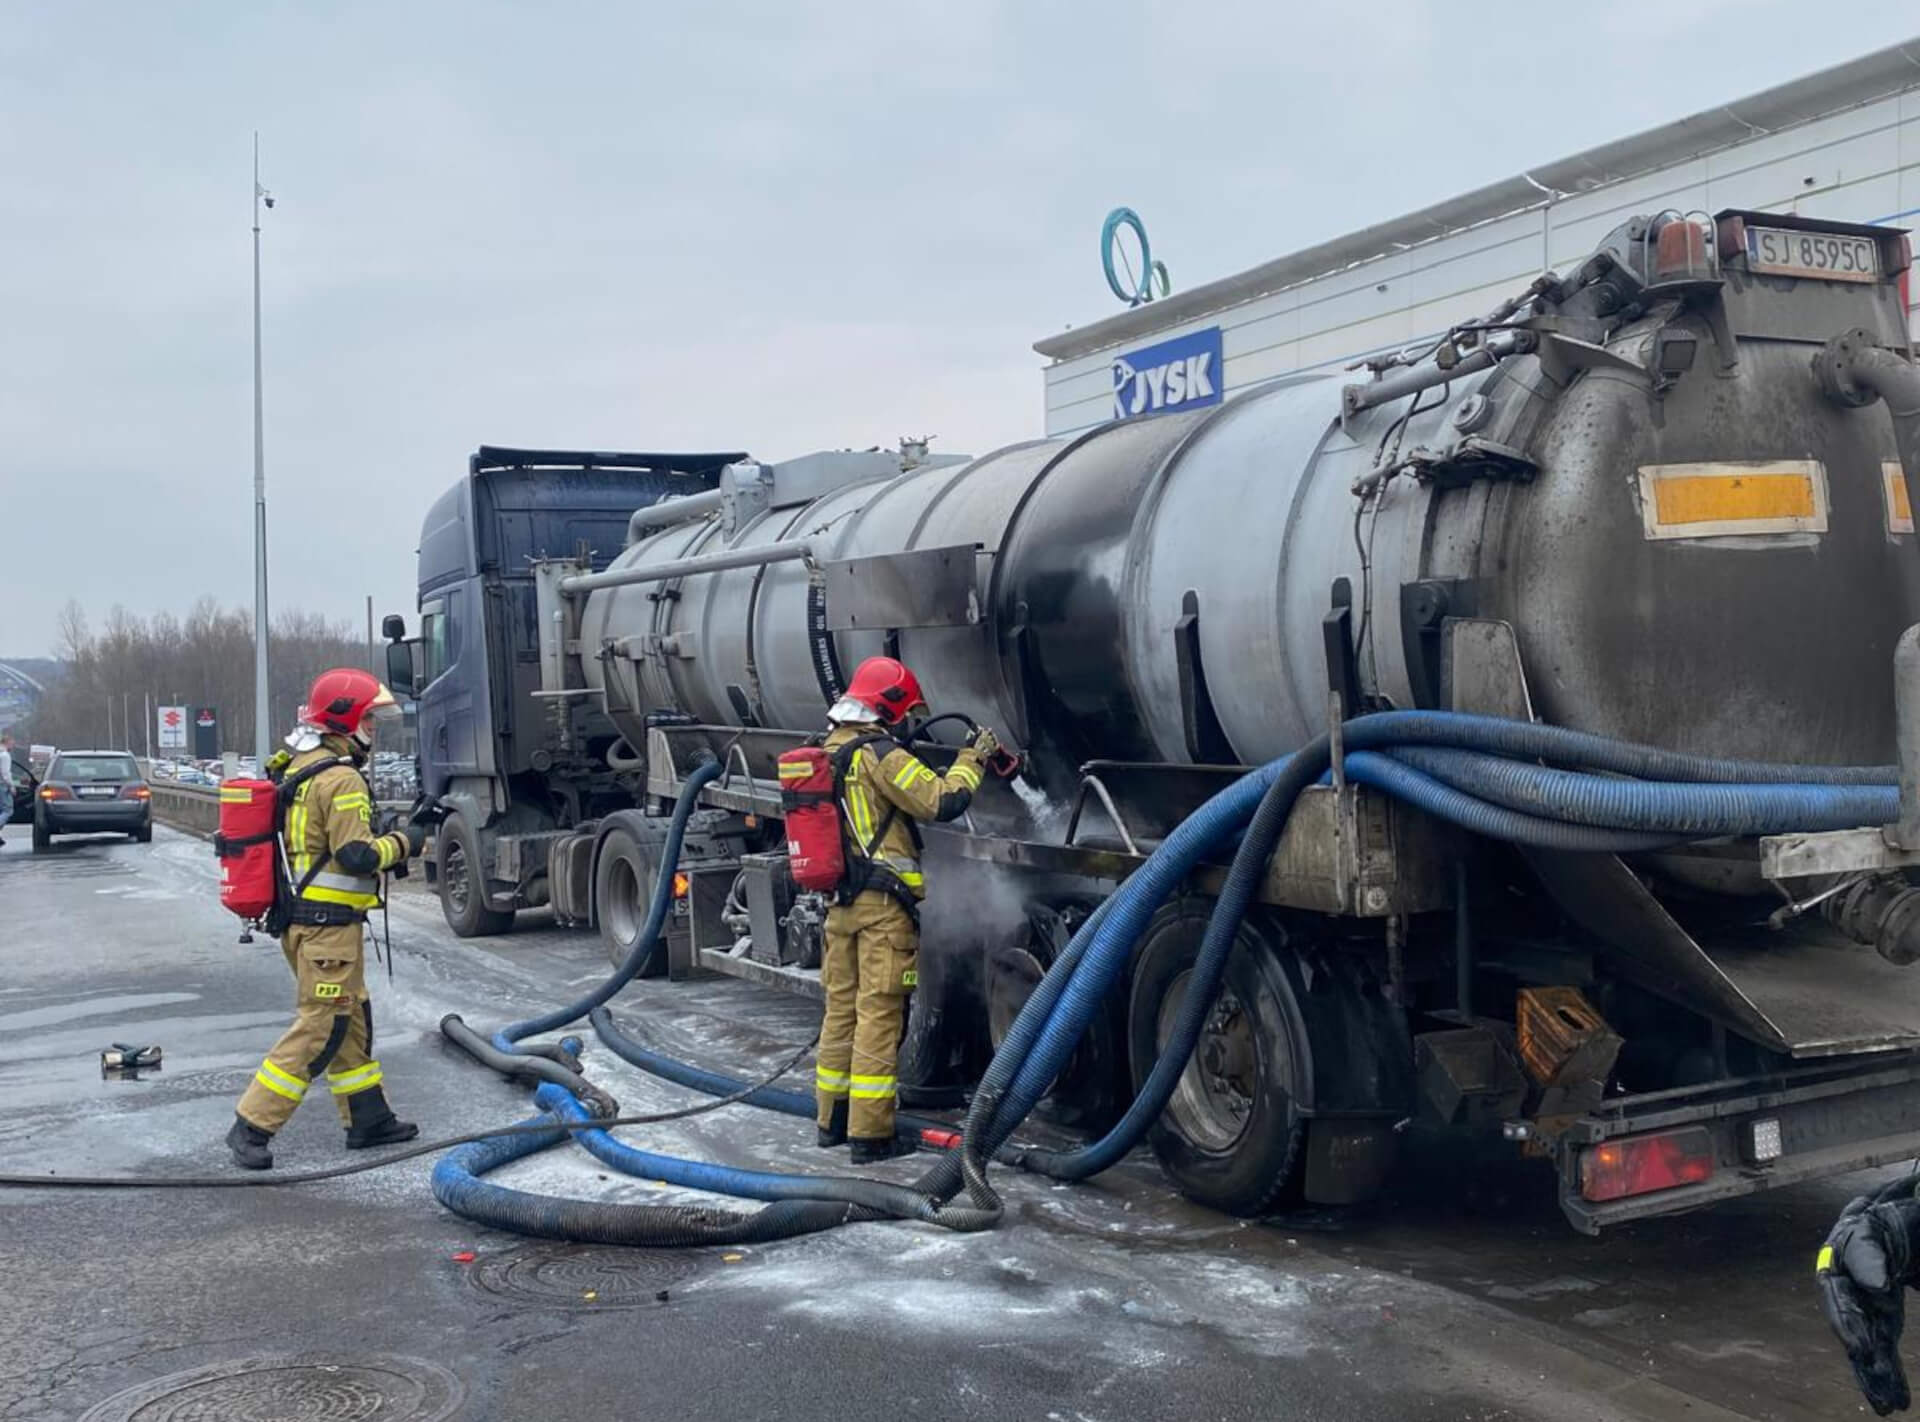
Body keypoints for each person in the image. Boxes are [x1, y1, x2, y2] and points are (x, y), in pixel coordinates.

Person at [226, 668, 425, 1170]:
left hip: (309, 923)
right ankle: (252, 1124)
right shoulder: (341, 778)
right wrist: (407, 842)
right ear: (345, 719)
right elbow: (357, 855)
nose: (373, 729)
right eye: (369, 719)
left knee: (350, 1020)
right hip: (326, 929)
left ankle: (368, 1118)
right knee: (322, 1025)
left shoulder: (301, 765)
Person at [813, 656, 999, 1164]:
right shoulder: (879, 754)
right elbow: (942, 801)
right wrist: (973, 758)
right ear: (889, 707)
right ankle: (871, 1137)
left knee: (841, 1011)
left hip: (840, 905)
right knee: (880, 1014)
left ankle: (832, 1122)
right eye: (904, 713)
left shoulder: (825, 750)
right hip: (882, 908)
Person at [0, 731, 13, 847]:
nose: (12, 745)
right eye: (11, 743)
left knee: (1, 811)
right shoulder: (5, 755)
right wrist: (11, 786)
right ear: (6, 742)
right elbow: (5, 773)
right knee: (8, 810)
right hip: (2, 786)